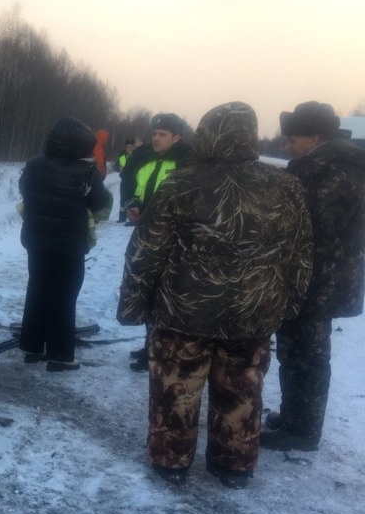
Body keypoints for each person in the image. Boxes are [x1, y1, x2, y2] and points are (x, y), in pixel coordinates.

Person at [117, 102, 312, 488]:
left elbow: (147, 250)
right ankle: (233, 464)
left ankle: (171, 461)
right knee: (242, 391)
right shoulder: (285, 186)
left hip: (182, 313)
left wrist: (133, 304)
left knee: (176, 390)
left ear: (206, 133)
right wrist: (289, 303)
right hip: (252, 313)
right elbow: (300, 253)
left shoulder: (183, 183)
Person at [260, 102, 365, 452]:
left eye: (293, 139)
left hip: (312, 280)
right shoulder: (348, 164)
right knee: (304, 352)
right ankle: (295, 417)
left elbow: (306, 231)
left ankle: (302, 430)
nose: (287, 145)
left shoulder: (323, 171)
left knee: (304, 354)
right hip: (332, 277)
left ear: (315, 137)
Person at [18, 117, 112, 371]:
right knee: (64, 295)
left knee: (37, 289)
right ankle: (60, 356)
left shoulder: (33, 165)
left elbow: (25, 192)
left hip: (36, 241)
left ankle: (32, 347)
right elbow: (99, 203)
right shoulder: (86, 172)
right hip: (69, 245)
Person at [119, 113, 193, 370]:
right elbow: (128, 180)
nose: (156, 138)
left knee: (169, 293)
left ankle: (165, 351)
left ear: (177, 137)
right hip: (145, 232)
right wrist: (131, 202)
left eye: (163, 134)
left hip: (174, 239)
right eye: (154, 133)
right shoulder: (142, 156)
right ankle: (150, 346)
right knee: (146, 290)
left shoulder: (187, 161)